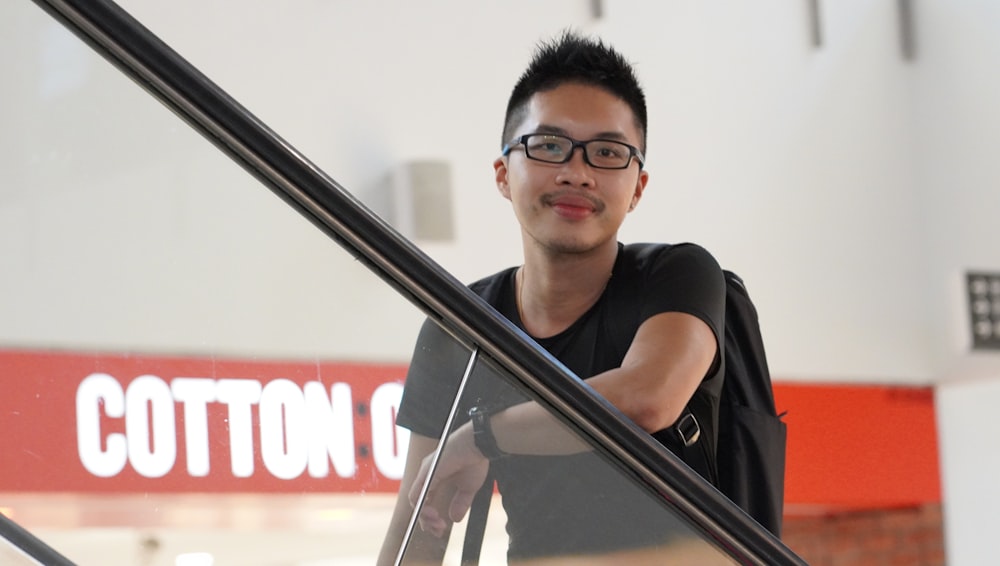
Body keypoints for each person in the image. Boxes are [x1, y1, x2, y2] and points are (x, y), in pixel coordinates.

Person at [377, 30, 726, 565]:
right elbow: (418, 529)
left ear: (637, 187)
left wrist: (477, 438)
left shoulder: (676, 276)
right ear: (502, 173)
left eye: (608, 152)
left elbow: (647, 399)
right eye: (548, 145)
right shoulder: (460, 329)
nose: (577, 173)